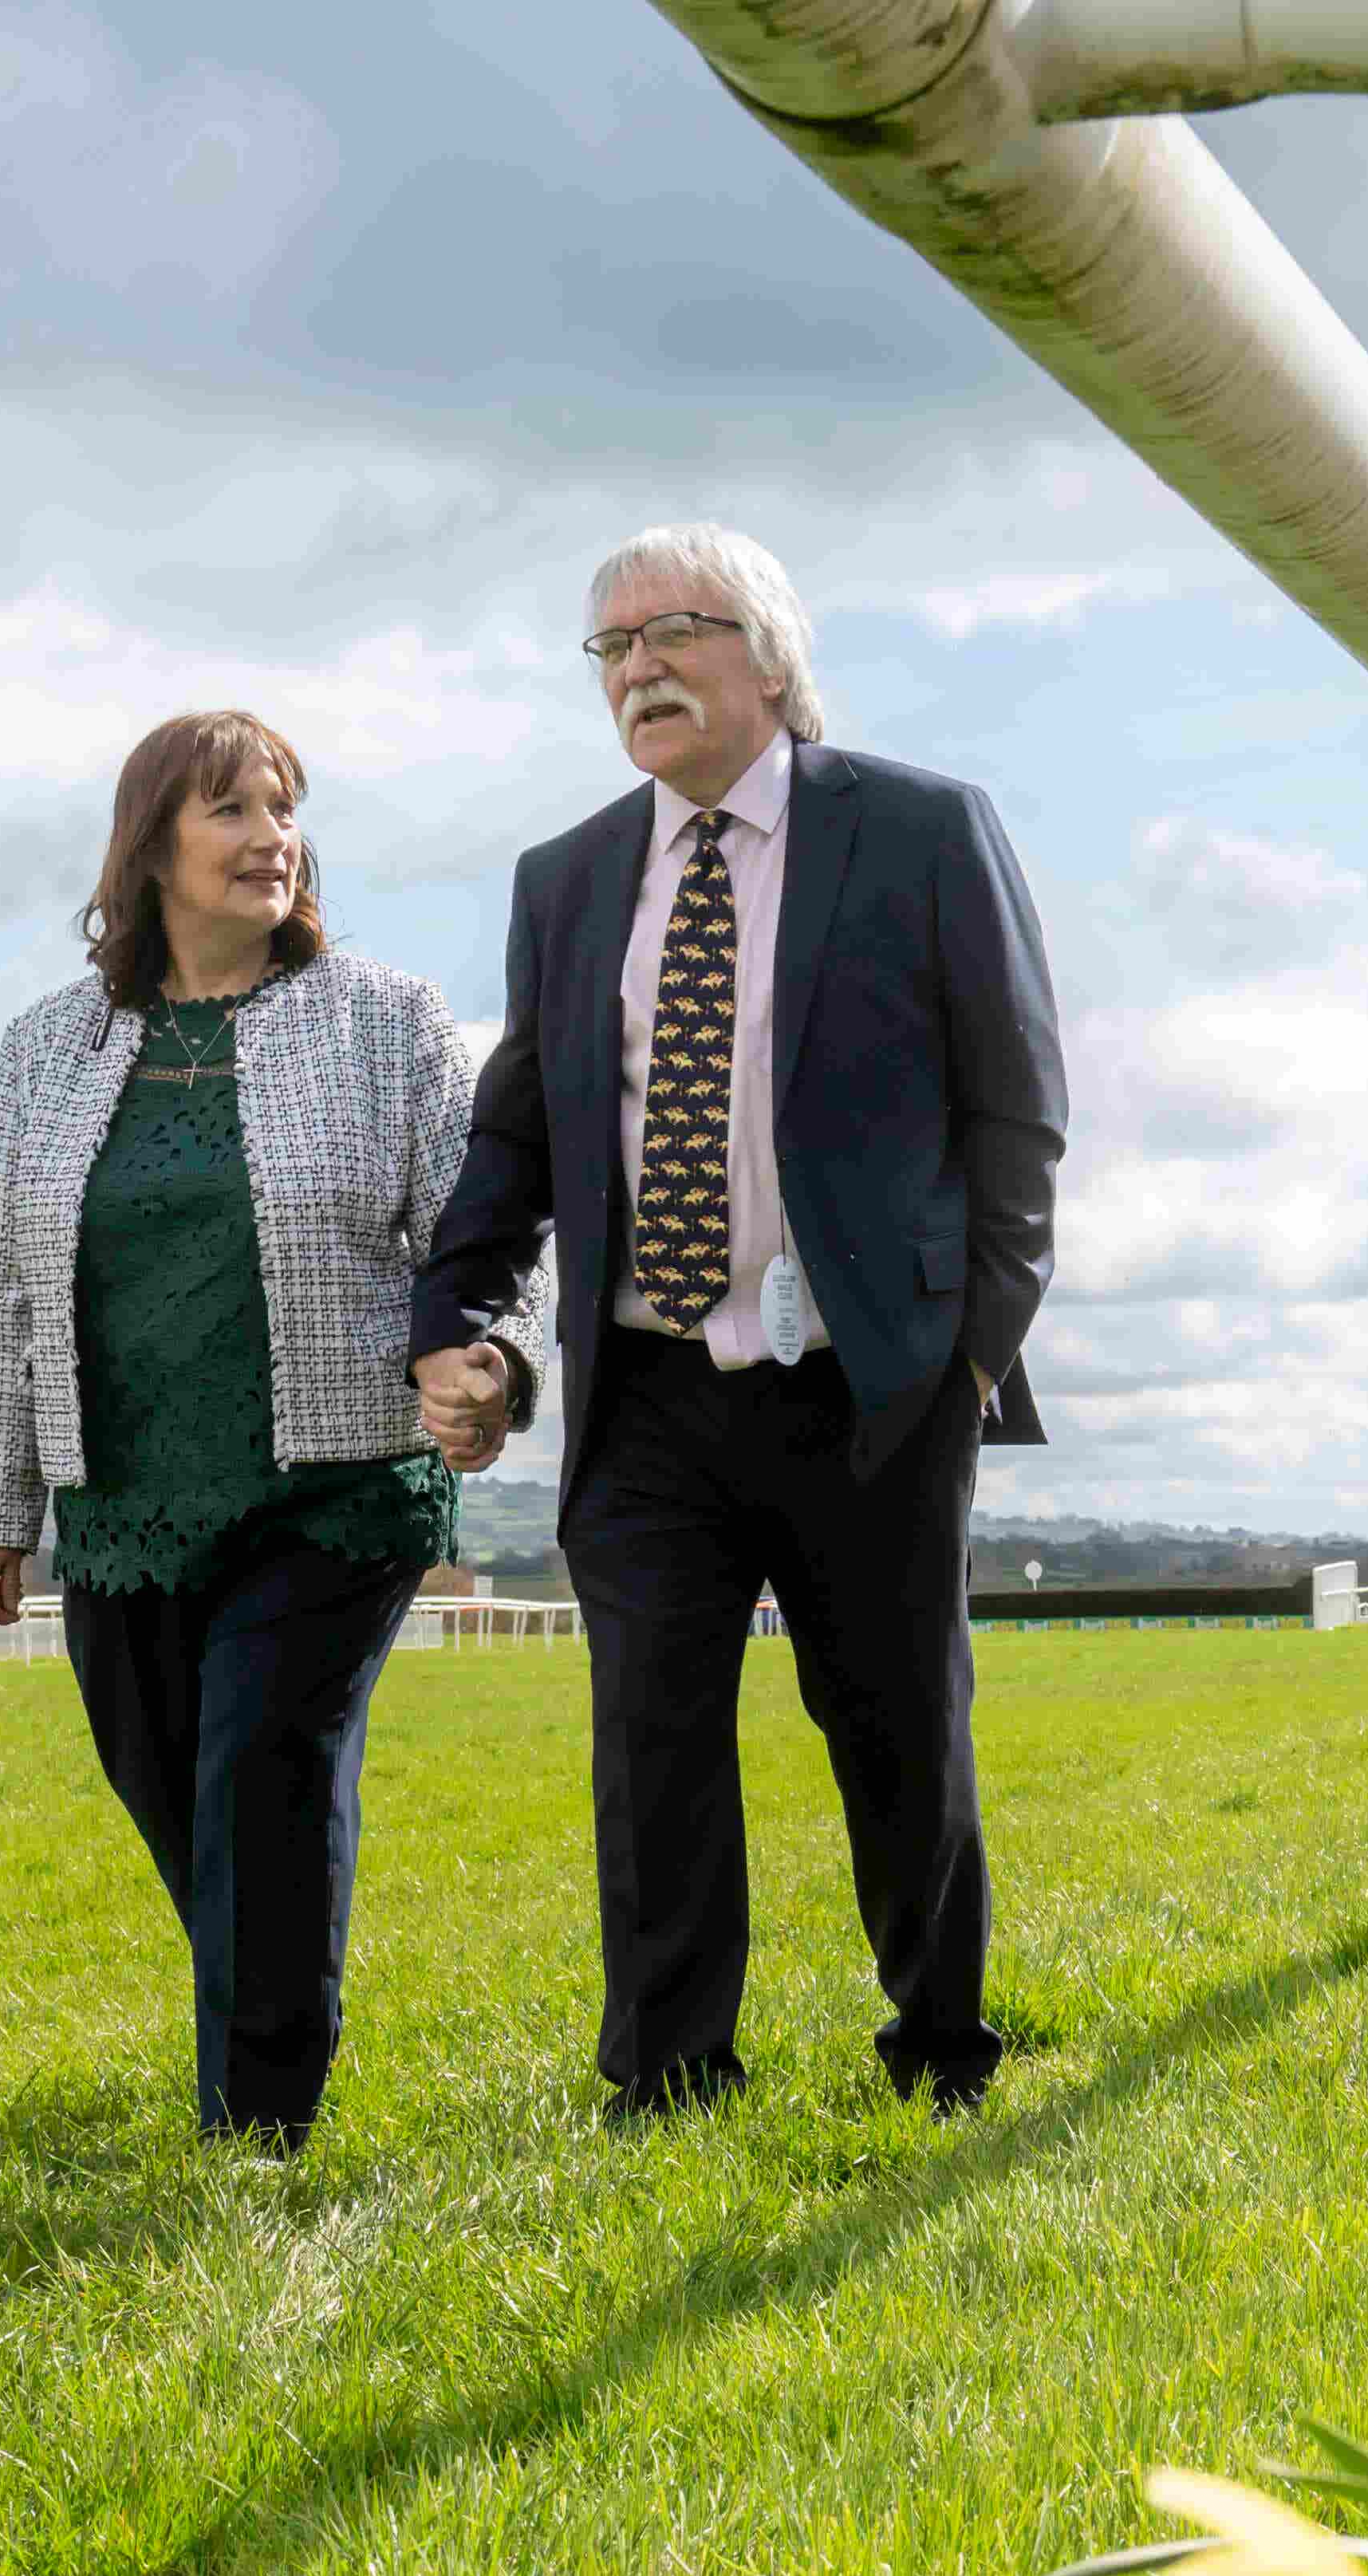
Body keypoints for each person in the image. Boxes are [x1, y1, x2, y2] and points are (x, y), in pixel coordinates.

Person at [412, 523, 1068, 2122]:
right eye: (610, 646)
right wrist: (459, 1306)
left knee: (898, 1730)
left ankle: (941, 2048)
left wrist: (971, 1348)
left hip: (872, 1387)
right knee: (651, 1746)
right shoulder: (565, 879)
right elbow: (520, 1132)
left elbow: (1016, 1108)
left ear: (768, 656)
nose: (638, 666)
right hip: (643, 1393)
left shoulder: (917, 828)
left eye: (674, 630)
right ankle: (668, 2075)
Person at [0, 707, 543, 2149]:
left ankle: (257, 2134)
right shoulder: (47, 1046)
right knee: (176, 1795)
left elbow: (480, 1232)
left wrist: (492, 1362)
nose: (271, 838)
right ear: (151, 846)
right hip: (125, 1495)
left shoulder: (385, 1020)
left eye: (285, 810)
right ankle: (267, 2008)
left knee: (262, 1782)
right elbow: (6, 1283)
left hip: (333, 1489)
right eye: (232, 811)